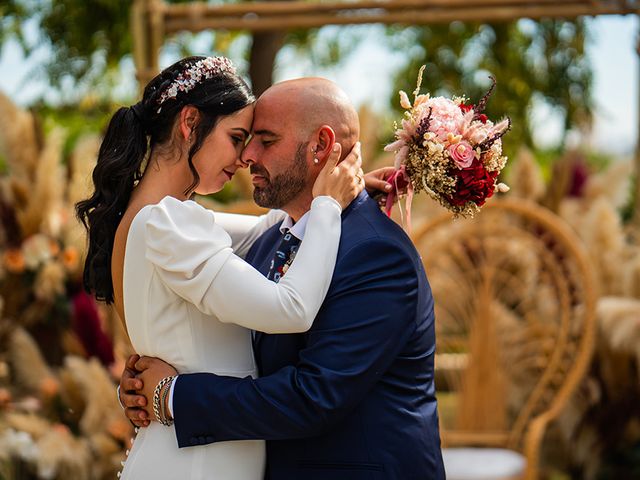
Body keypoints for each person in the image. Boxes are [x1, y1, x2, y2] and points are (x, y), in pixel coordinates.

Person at [121, 77, 446, 479]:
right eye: (245, 138)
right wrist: (145, 377)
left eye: (266, 140)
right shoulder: (270, 239)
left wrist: (172, 396)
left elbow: (314, 397)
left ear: (321, 147)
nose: (247, 156)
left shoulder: (376, 254)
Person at [76, 56, 368, 480]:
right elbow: (292, 309)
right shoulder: (168, 224)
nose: (246, 156)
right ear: (190, 123)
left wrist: (346, 188)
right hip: (195, 463)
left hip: (189, 452)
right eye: (236, 137)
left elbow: (275, 226)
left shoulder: (156, 217)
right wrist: (326, 205)